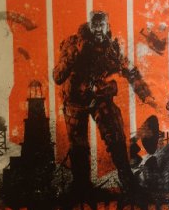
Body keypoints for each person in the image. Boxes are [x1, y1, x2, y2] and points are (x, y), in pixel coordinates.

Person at [53, 10, 157, 193]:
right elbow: (57, 76)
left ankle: (127, 179)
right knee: (79, 145)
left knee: (115, 131)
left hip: (98, 97)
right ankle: (81, 186)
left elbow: (130, 71)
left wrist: (145, 94)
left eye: (101, 25)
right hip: (75, 100)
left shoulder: (112, 49)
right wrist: (73, 54)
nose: (98, 29)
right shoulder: (74, 43)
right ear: (89, 26)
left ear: (107, 26)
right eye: (95, 25)